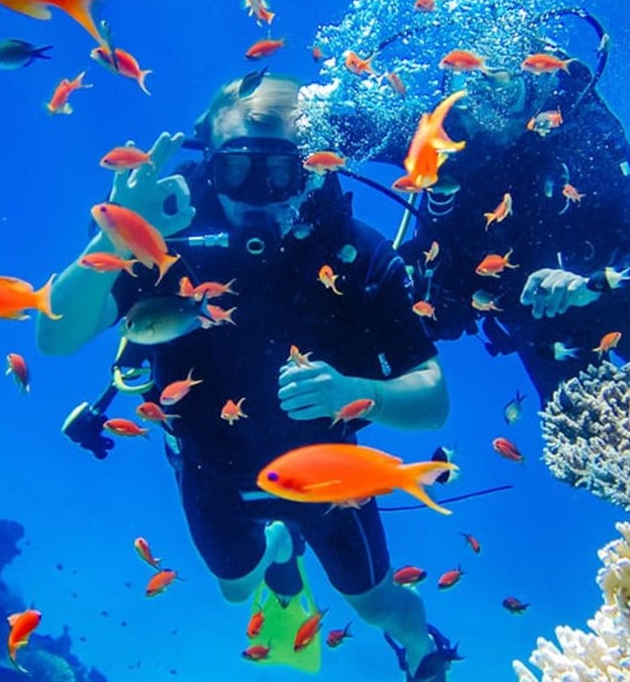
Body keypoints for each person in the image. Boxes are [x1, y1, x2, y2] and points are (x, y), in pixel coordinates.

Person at [37, 74, 460, 682]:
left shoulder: (354, 254)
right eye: (237, 169)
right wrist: (117, 234)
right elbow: (54, 338)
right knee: (237, 592)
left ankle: (421, 644)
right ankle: (280, 551)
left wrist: (354, 394)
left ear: (310, 168)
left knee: (378, 607)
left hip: (330, 476)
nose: (257, 193)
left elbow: (435, 400)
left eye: (279, 171)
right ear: (208, 163)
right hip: (211, 471)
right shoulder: (159, 239)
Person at [382, 58, 630, 400]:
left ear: (533, 83)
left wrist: (592, 285)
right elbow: (444, 309)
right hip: (542, 336)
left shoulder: (580, 131)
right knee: (589, 443)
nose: (493, 114)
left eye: (504, 94)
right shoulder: (451, 165)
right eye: (475, 101)